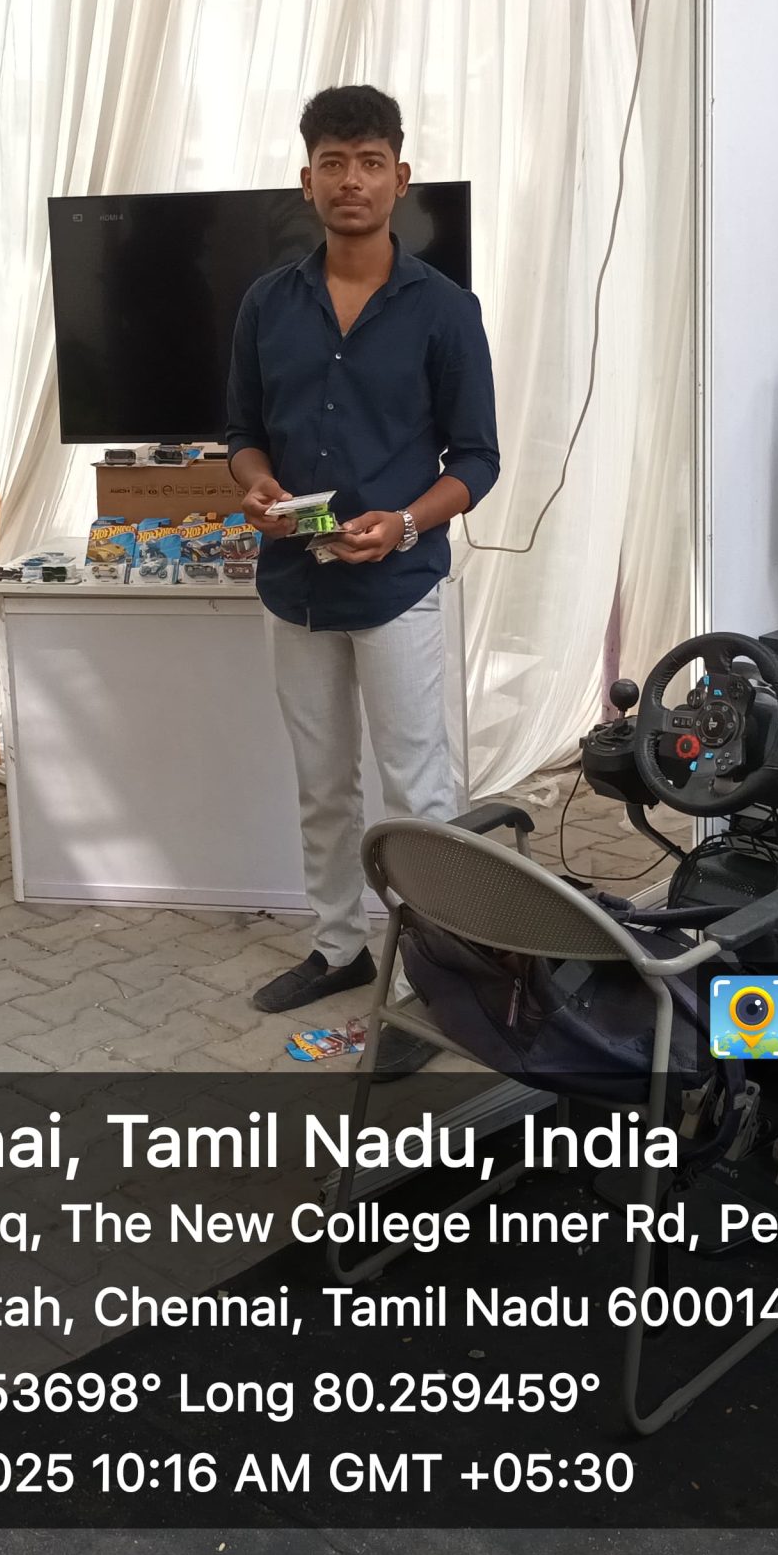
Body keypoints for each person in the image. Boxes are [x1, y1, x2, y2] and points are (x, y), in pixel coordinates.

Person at [226, 84, 500, 1030]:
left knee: (417, 787)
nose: (352, 180)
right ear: (307, 180)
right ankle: (340, 946)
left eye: (370, 162)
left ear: (400, 178)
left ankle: (437, 971)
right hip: (293, 586)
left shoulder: (446, 310)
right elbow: (243, 436)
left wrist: (406, 524)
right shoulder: (267, 304)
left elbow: (477, 460)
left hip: (396, 585)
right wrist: (256, 485)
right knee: (322, 783)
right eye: (333, 163)